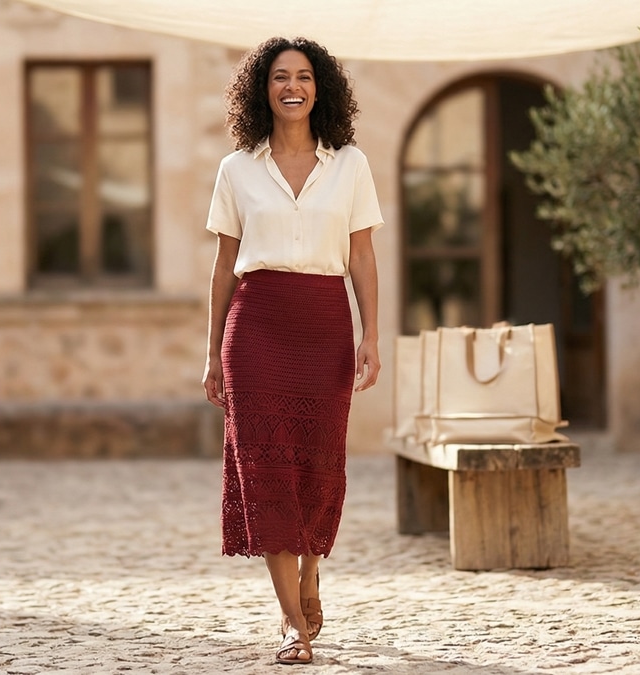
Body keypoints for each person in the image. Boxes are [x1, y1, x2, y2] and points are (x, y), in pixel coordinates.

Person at [202, 36, 383, 665]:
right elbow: (224, 268)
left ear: (319, 87)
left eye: (303, 76)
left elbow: (361, 255)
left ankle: (310, 574)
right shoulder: (237, 169)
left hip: (325, 324)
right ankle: (290, 624)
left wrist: (372, 335)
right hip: (255, 329)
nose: (292, 87)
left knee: (316, 464)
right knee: (266, 469)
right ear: (263, 89)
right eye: (280, 77)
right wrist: (210, 354)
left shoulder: (351, 165)